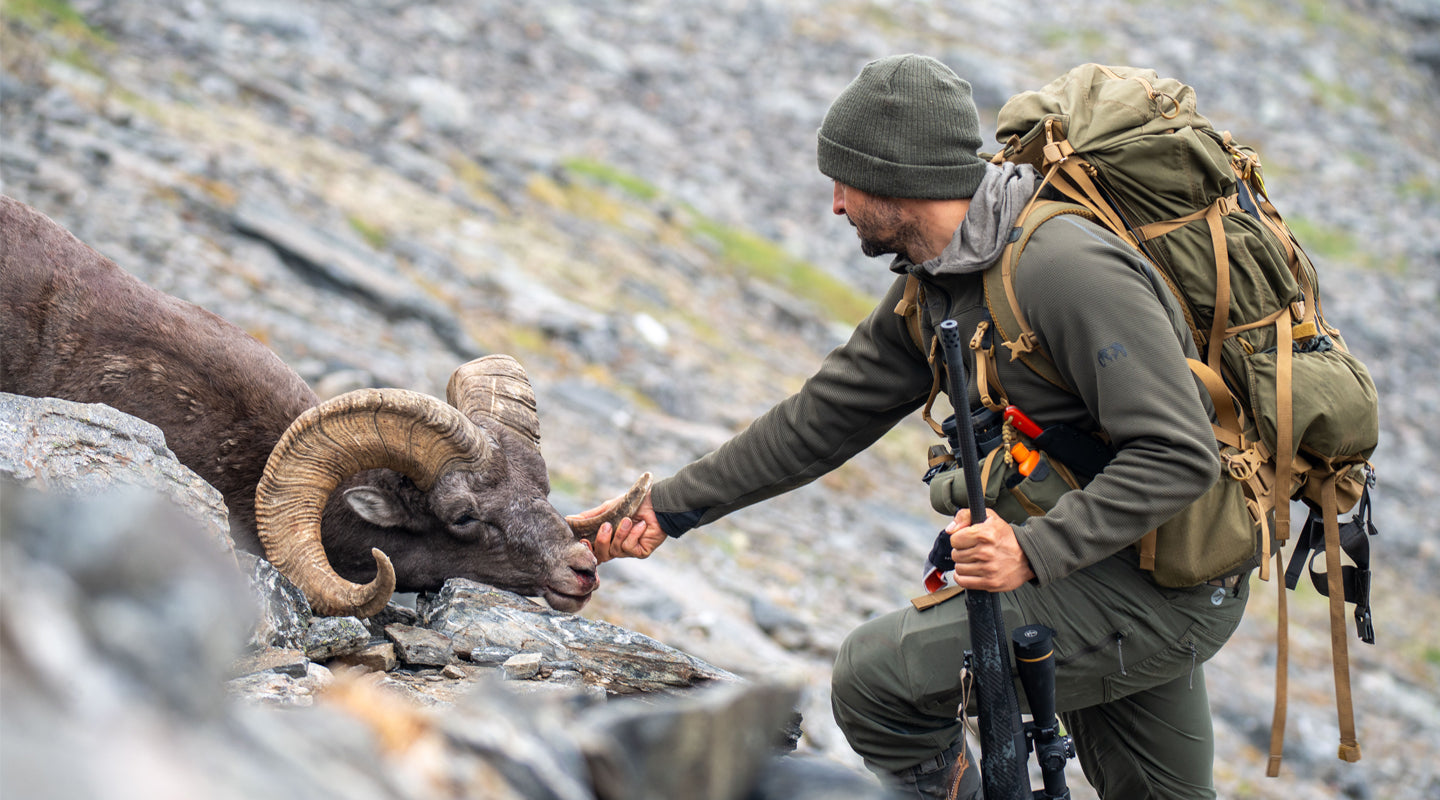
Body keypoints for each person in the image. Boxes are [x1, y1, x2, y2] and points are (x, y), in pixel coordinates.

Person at [576, 54, 1249, 800]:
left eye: (846, 182)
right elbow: (821, 418)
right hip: (1104, 560)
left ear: (901, 178)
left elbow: (1179, 453)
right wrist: (666, 508)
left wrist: (1032, 550)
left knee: (875, 679)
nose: (835, 205)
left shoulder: (1063, 269)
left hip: (1162, 582)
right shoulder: (936, 279)